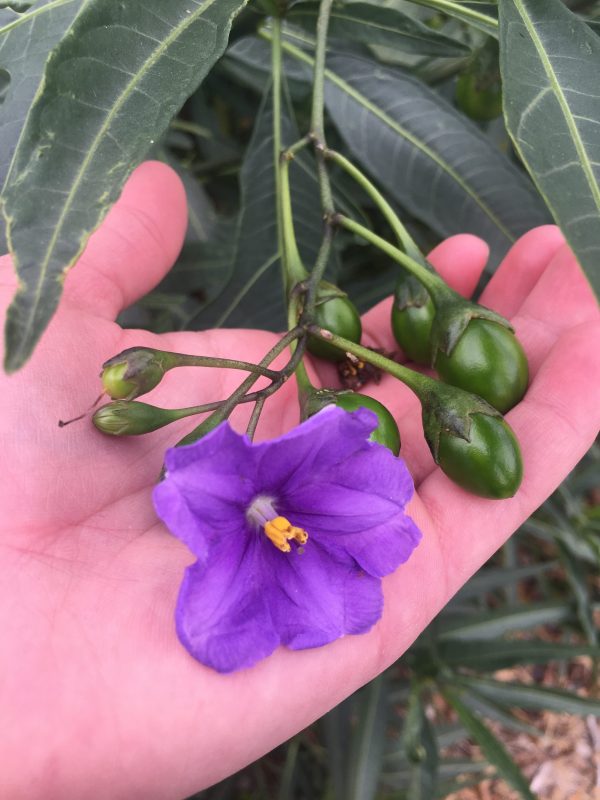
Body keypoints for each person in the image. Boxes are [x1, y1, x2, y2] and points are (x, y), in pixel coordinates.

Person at [0, 162, 598, 800]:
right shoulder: (220, 488)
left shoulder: (234, 488)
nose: (281, 529)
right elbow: (221, 481)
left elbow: (275, 468)